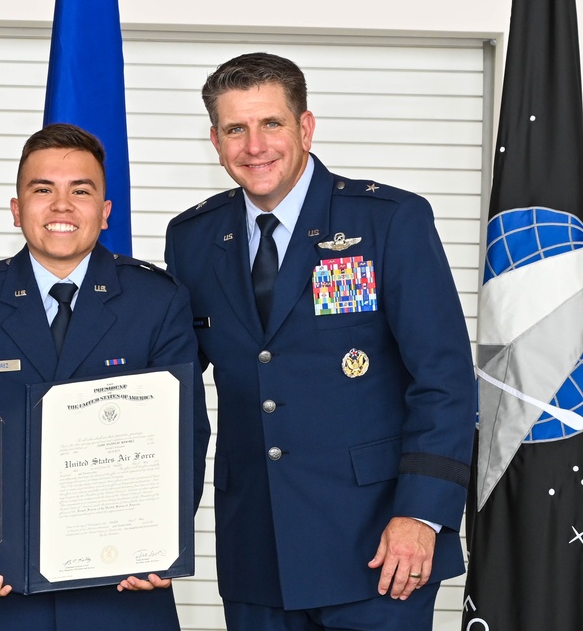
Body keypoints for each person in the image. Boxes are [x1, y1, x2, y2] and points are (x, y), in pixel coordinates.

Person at [164, 53, 476, 631]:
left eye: (271, 124)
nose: (254, 146)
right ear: (215, 140)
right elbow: (171, 391)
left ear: (305, 127)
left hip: (379, 547)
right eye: (236, 128)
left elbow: (445, 380)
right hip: (257, 546)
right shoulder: (193, 238)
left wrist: (421, 515)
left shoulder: (388, 220)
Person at [0, 123, 211, 630]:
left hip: (122, 591)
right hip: (0, 591)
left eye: (80, 191)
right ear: (17, 210)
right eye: (43, 190)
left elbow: (184, 433)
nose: (62, 206)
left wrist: (161, 543)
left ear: (105, 213)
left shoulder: (158, 302)